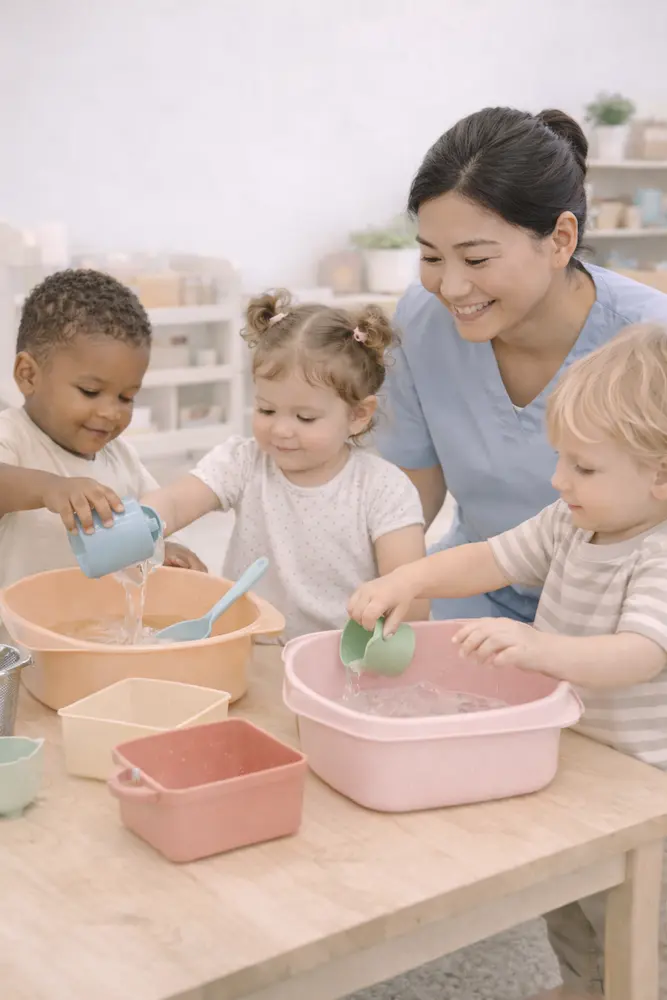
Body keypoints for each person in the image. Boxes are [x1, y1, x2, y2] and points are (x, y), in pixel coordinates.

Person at [350, 322, 667, 998]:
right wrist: (413, 579)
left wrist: (540, 649)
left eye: (581, 467)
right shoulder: (572, 520)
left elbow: (641, 654)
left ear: (660, 478)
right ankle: (585, 984)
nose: (557, 480)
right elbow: (492, 556)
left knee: (641, 924)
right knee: (572, 902)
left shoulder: (659, 552)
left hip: (649, 786)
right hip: (583, 758)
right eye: (559, 459)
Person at [377, 105, 667, 626]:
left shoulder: (651, 340)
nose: (451, 287)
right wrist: (388, 593)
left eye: (477, 259)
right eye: (432, 257)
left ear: (560, 239)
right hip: (475, 588)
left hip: (624, 614)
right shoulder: (422, 321)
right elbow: (406, 500)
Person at [143, 290, 429, 640]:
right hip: (248, 643)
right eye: (266, 410)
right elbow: (175, 501)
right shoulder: (244, 462)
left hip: (338, 658)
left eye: (305, 417)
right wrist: (139, 524)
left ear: (358, 415)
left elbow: (410, 596)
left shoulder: (383, 489)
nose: (280, 429)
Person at [0, 269, 204, 596]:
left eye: (126, 397)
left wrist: (169, 549)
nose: (111, 412)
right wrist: (48, 487)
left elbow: (154, 518)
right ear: (28, 376)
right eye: (90, 391)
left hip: (96, 630)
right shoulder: (13, 438)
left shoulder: (120, 458)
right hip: (18, 642)